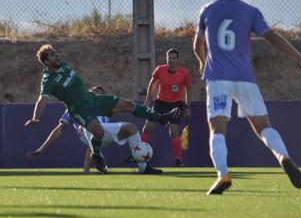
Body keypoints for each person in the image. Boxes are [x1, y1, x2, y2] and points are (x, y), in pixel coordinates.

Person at [193, 0, 301, 195]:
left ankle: (223, 175)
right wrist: (300, 57)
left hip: (218, 78)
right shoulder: (251, 12)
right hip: (245, 79)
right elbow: (272, 37)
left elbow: (197, 45)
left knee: (217, 129)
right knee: (263, 127)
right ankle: (283, 157)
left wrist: (202, 61)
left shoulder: (208, 10)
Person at [25, 44, 183, 174]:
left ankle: (163, 118)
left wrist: (92, 92)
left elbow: (76, 87)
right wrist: (36, 117)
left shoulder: (63, 66)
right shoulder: (48, 80)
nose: (57, 55)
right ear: (46, 62)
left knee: (128, 104)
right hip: (81, 111)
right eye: (52, 55)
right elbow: (42, 99)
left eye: (56, 52)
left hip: (93, 100)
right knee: (99, 132)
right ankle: (96, 155)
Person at [26, 86, 163, 175]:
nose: (98, 96)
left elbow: (125, 106)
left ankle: (143, 167)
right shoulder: (76, 107)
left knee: (131, 129)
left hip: (107, 135)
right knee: (94, 137)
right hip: (89, 132)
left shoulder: (105, 107)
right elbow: (60, 128)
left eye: (101, 94)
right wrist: (42, 148)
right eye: (94, 93)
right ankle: (97, 167)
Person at [141, 48, 192, 167]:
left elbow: (189, 89)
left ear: (177, 60)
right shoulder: (160, 69)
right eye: (170, 58)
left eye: (174, 58)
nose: (172, 60)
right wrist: (148, 99)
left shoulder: (184, 73)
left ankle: (179, 159)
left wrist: (188, 106)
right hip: (161, 103)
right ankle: (141, 156)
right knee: (147, 127)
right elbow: (153, 82)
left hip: (176, 104)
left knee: (173, 131)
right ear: (166, 59)